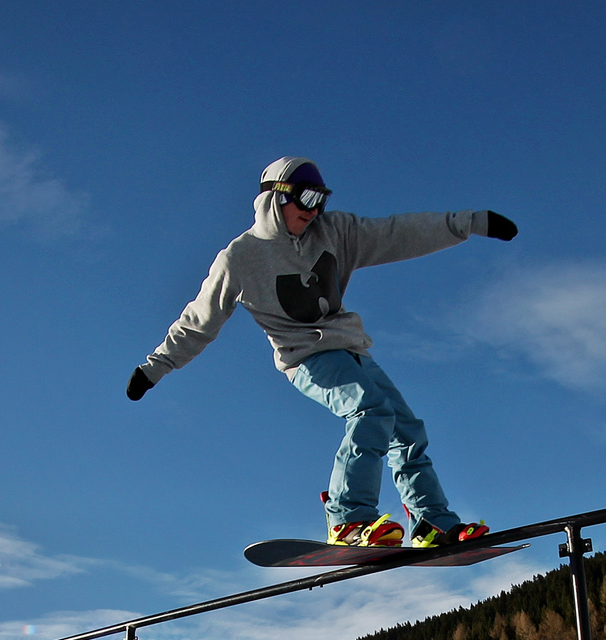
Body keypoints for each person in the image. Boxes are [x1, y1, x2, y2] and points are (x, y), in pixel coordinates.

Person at [128, 157, 517, 547]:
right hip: (305, 357)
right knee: (370, 409)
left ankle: (433, 522)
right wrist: (155, 368)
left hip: (352, 349)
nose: (313, 211)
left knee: (406, 430)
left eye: (321, 201)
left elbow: (399, 233)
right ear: (275, 199)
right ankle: (347, 518)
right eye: (305, 199)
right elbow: (199, 320)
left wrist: (468, 222)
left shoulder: (335, 231)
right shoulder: (240, 258)